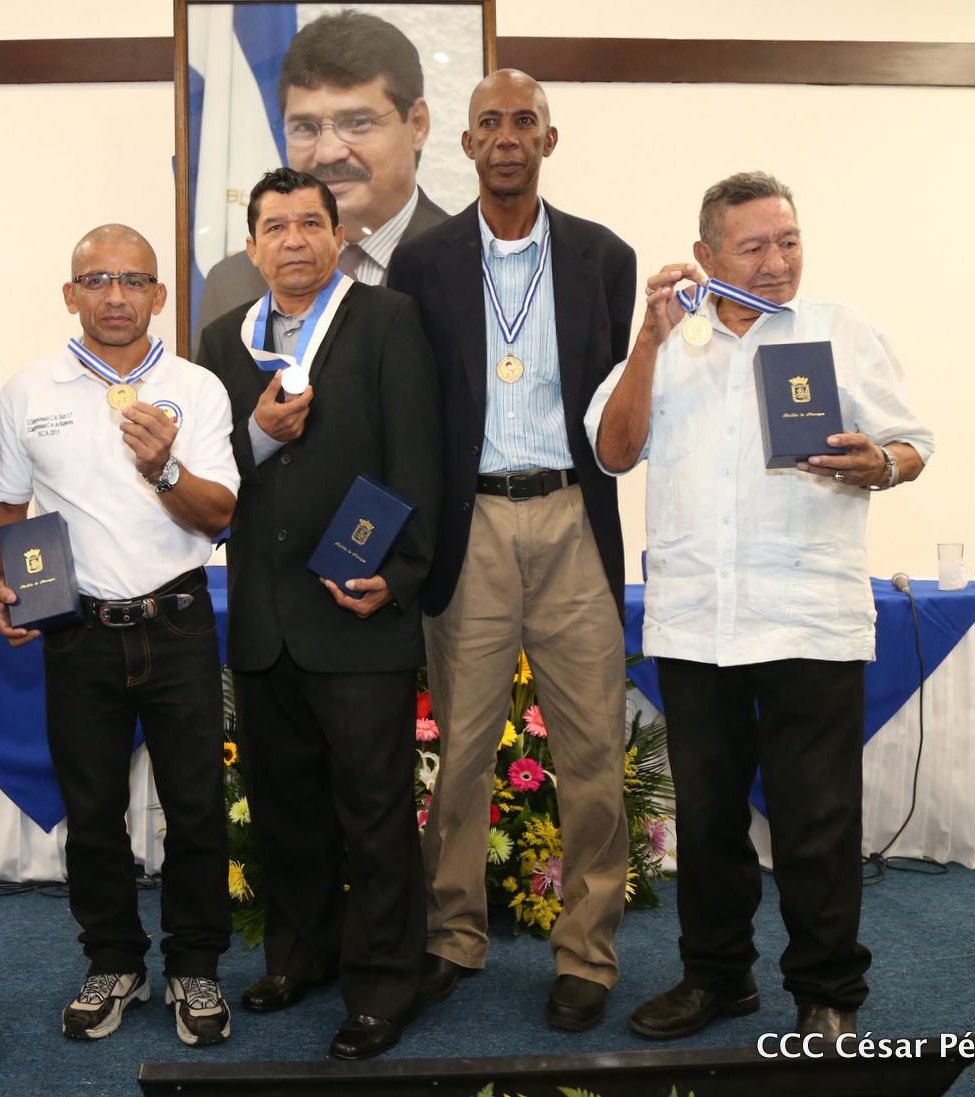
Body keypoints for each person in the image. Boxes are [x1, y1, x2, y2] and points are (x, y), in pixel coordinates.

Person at [586, 171, 933, 1041]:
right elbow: (614, 451)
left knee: (817, 819)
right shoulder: (670, 346)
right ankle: (716, 977)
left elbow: (912, 444)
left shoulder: (841, 333)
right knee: (706, 819)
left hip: (808, 614)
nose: (777, 262)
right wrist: (648, 342)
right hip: (698, 620)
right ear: (704, 254)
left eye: (789, 241)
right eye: (753, 247)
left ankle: (828, 990)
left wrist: (881, 463)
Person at [386, 69, 635, 1032]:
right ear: (464, 143)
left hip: (573, 517)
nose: (505, 137)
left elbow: (618, 402)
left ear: (548, 139)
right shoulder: (422, 261)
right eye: (488, 122)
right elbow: (412, 410)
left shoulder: (605, 258)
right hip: (473, 523)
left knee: (593, 752)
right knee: (461, 752)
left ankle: (587, 952)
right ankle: (453, 935)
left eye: (523, 121)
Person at [195, 167, 443, 1060]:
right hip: (266, 616)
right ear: (252, 245)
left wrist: (400, 576)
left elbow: (419, 456)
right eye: (275, 226)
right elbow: (210, 475)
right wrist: (258, 437)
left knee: (375, 812)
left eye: (310, 223)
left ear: (339, 237)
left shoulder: (388, 321)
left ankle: (384, 984)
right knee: (285, 807)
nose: (293, 239)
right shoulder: (222, 339)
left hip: (358, 608)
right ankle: (301, 955)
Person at [0, 225, 240, 1048]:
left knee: (196, 809)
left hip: (178, 621)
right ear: (71, 294)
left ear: (159, 294)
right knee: (91, 812)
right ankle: (113, 960)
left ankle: (194, 965)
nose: (116, 295)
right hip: (79, 631)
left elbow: (220, 514)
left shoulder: (196, 388)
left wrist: (164, 466)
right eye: (97, 279)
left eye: (134, 280)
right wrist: (8, 583)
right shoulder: (29, 392)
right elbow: (11, 508)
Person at [196, 9, 449, 330]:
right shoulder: (232, 283)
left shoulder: (467, 261)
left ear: (417, 124)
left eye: (357, 122)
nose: (328, 153)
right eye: (305, 127)